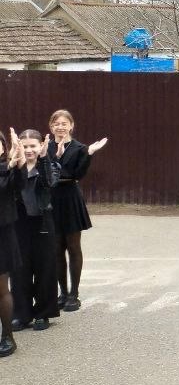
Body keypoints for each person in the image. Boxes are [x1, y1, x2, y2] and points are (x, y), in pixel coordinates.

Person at [48, 109, 108, 312]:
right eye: (56, 123)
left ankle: (74, 294)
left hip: (71, 198)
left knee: (73, 247)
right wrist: (55, 156)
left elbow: (78, 174)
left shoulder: (80, 148)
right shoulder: (45, 146)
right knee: (56, 249)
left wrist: (89, 153)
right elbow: (46, 172)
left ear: (71, 126)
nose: (60, 126)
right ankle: (62, 293)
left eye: (65, 123)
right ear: (51, 126)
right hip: (52, 200)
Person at [11, 129, 61, 332]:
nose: (29, 150)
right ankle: (21, 314)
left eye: (33, 145)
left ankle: (43, 313)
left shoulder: (50, 166)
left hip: (42, 223)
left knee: (45, 268)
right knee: (19, 270)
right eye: (25, 146)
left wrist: (44, 160)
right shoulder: (12, 167)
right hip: (19, 223)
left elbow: (50, 183)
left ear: (41, 146)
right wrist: (16, 162)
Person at [0, 133, 22, 357]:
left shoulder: (9, 169)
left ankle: (7, 336)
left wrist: (17, 164)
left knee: (1, 289)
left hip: (2, 236)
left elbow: (19, 183)